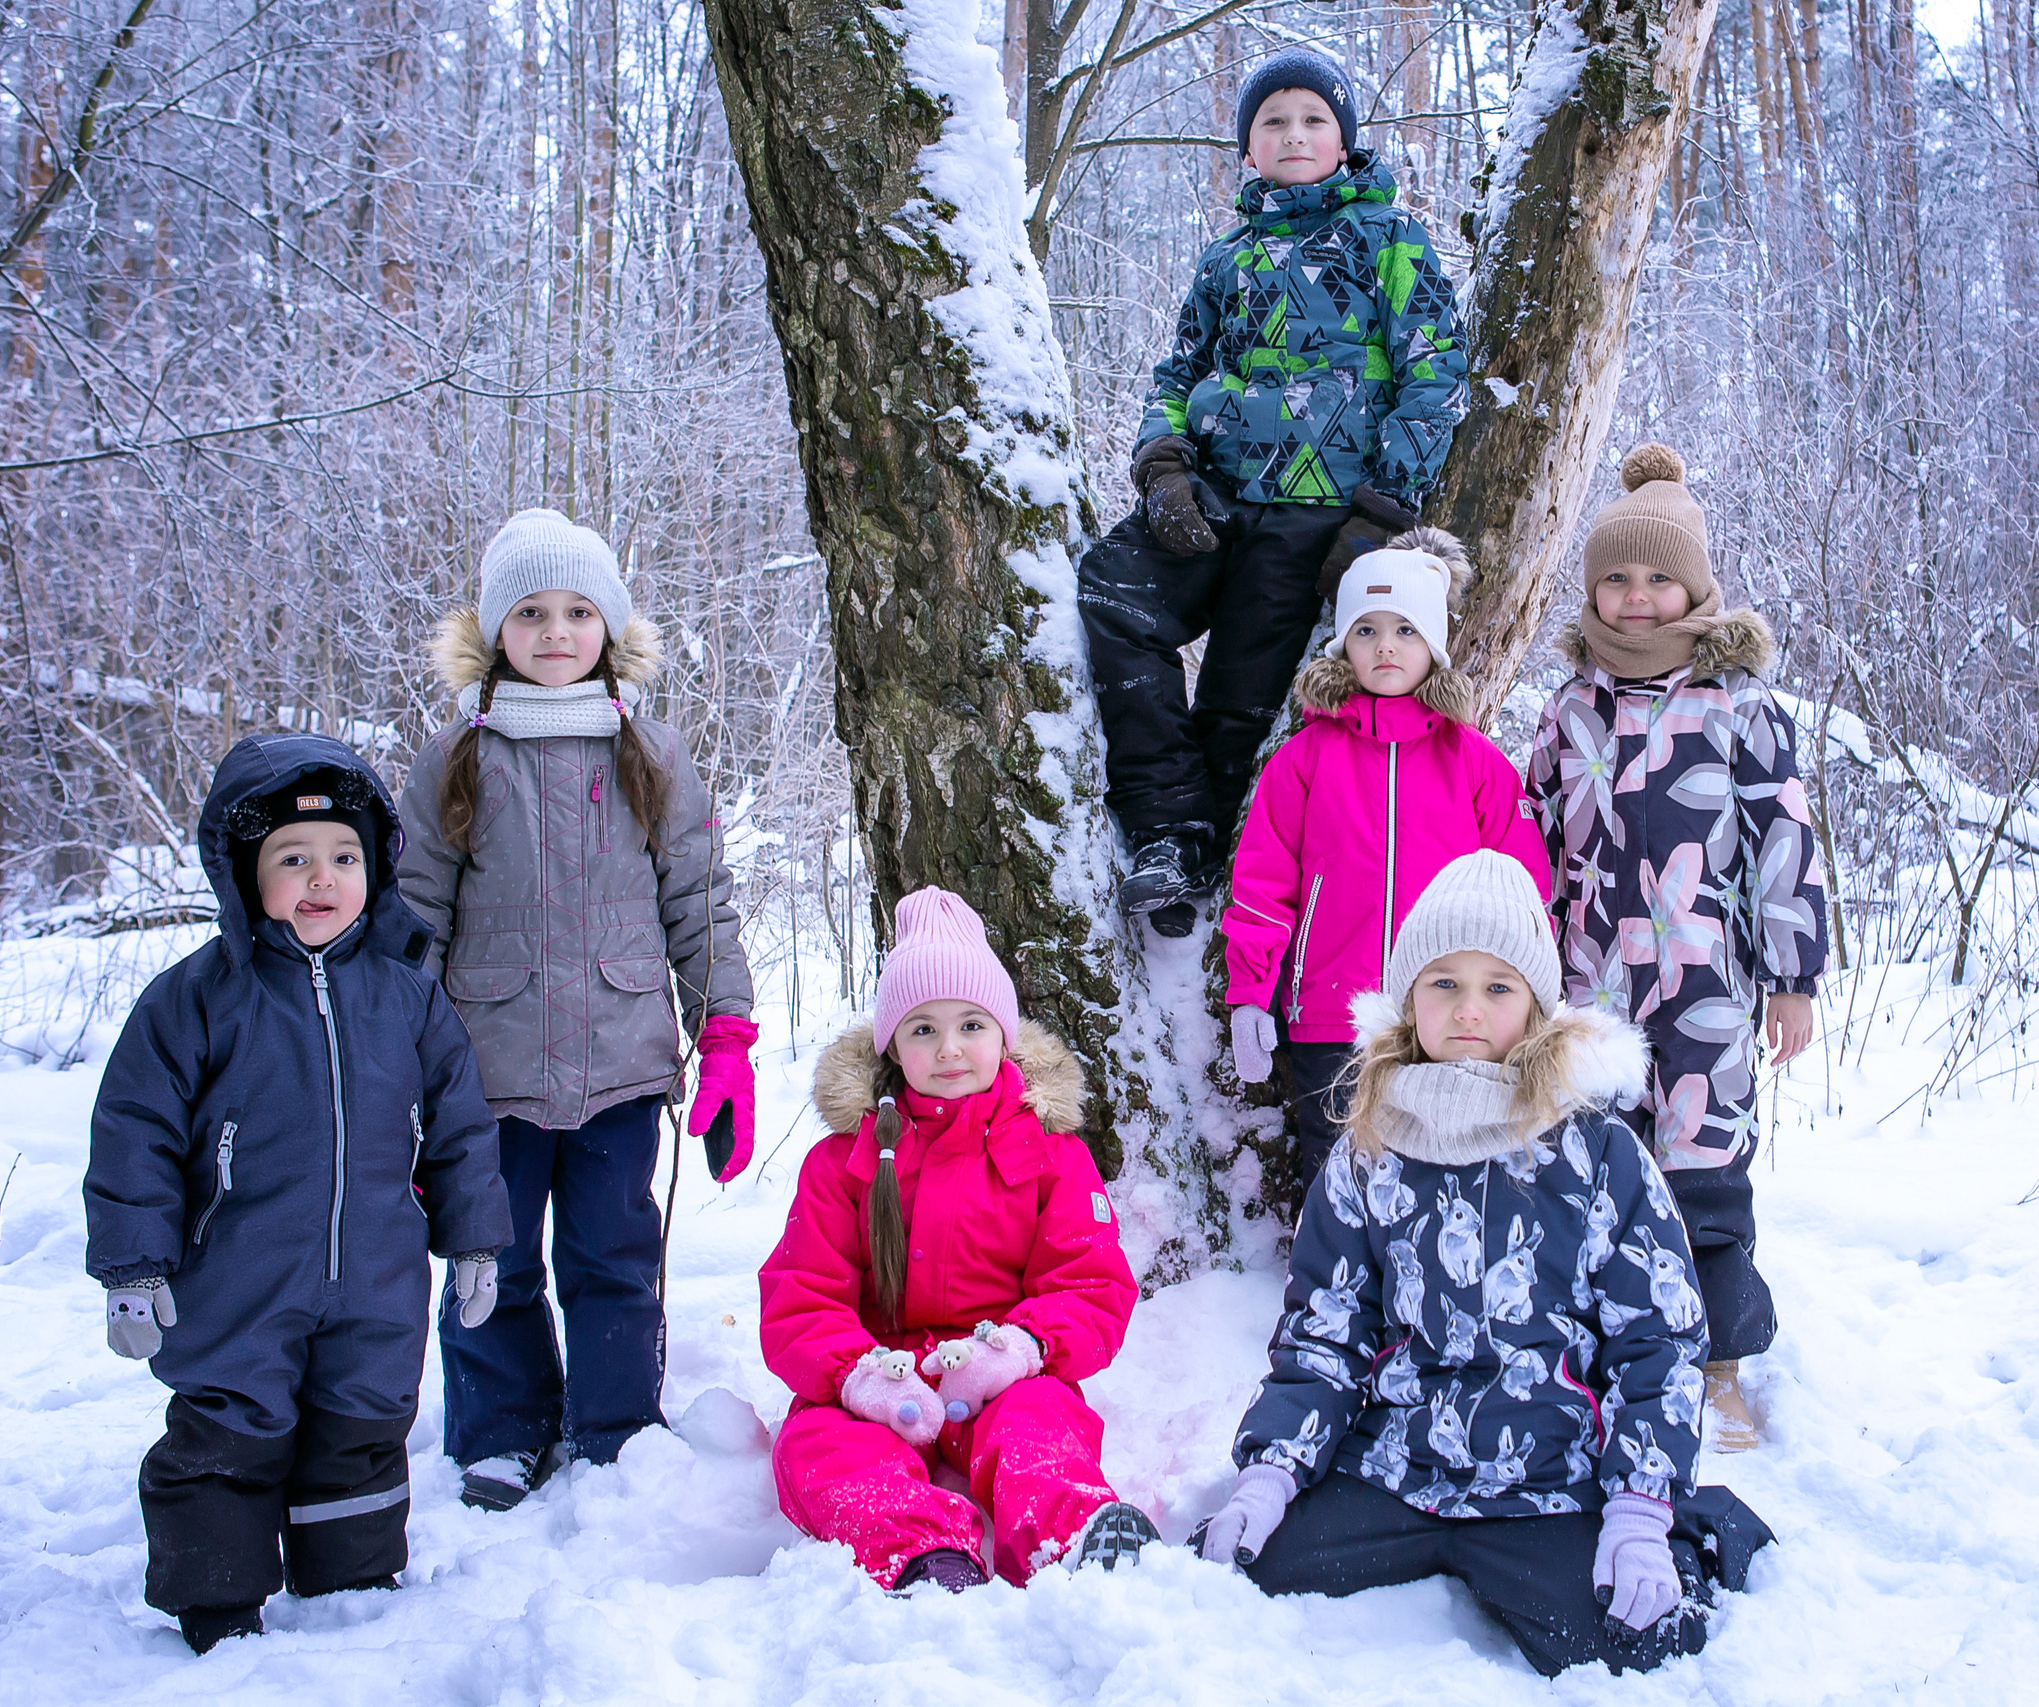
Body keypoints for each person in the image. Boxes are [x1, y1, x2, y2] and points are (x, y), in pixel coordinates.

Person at [1199, 851, 1773, 1676]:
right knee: (1235, 1564)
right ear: (1408, 999)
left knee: (1644, 1641)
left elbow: (1659, 1341)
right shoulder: (1367, 1152)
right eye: (1444, 983)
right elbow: (1322, 1340)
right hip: (1398, 1467)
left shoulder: (1597, 1152)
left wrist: (1640, 1509)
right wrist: (1270, 1472)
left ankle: (1686, 1527)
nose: (1469, 1008)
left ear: (1537, 1006)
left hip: (1550, 1479)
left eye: (1497, 987)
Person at [85, 733, 512, 1653]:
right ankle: (217, 1597)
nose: (323, 878)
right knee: (228, 1431)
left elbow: (461, 1125)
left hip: (376, 1278)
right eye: (293, 858)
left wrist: (476, 1236)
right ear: (245, 872)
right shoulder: (196, 1000)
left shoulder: (408, 997)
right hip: (238, 1276)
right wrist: (133, 1262)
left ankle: (350, 1588)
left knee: (362, 1424)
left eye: (345, 857)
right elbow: (135, 1133)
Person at [396, 508, 758, 1509]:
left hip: (623, 1062)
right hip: (487, 1072)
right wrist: (400, 1072)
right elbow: (413, 919)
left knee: (613, 1256)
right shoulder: (455, 758)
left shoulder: (652, 755)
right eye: (530, 613)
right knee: (492, 1260)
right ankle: (501, 1431)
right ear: (493, 630)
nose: (555, 632)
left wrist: (722, 1035)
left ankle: (614, 1425)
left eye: (577, 611)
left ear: (610, 627)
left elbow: (699, 903)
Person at [1079, 48, 1469, 936]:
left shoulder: (1388, 240)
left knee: (1238, 690)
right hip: (1216, 488)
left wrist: (1381, 508)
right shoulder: (1228, 257)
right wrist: (1165, 463)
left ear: (1344, 139)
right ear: (1247, 148)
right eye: (1273, 123)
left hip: (1317, 506)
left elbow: (1436, 374)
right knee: (1112, 593)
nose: (1294, 135)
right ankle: (1164, 817)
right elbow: (1176, 372)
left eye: (1313, 120)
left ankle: (1187, 854)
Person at [1526, 444, 1827, 1448]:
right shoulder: (1569, 707)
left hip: (1709, 988)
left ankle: (1718, 1365)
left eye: (1659, 577)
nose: (1637, 596)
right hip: (1591, 986)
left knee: (1701, 1168)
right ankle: (1606, 1343)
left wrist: (1792, 977)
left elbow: (1785, 836)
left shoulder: (1741, 706)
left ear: (1695, 585)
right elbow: (1529, 838)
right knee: (1592, 1164)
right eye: (1616, 577)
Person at [758, 887, 1151, 1590]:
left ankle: (1077, 1533)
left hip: (1003, 1373)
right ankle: (919, 1550)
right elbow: (800, 1294)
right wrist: (856, 1375)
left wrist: (1023, 1348)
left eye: (971, 1023)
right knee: (817, 1446)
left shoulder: (1052, 1153)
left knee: (1042, 1425)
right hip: (881, 1378)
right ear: (891, 1047)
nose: (948, 1049)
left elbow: (1090, 1284)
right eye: (922, 1029)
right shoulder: (842, 1161)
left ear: (1004, 1034)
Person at [1221, 527, 1551, 1181]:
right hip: (1330, 1009)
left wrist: (1530, 997)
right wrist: (1250, 993)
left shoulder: (1475, 762)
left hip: (1447, 1012)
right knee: (1338, 1156)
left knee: (1440, 1158)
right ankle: (1325, 1279)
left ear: (1432, 644)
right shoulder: (1304, 759)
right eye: (1366, 630)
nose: (1386, 646)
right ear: (1344, 645)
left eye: (1404, 629)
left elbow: (1520, 888)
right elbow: (1263, 883)